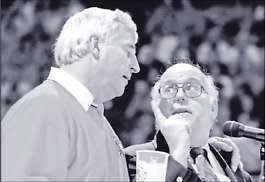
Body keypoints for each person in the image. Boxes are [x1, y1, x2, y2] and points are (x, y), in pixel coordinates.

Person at [2, 7, 140, 181]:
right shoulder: (44, 107)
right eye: (128, 52)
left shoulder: (90, 115)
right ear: (96, 46)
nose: (136, 66)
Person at [125, 62, 252, 182]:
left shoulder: (236, 170)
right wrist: (179, 150)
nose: (179, 96)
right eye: (169, 89)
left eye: (191, 87)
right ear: (155, 108)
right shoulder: (134, 160)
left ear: (213, 107)